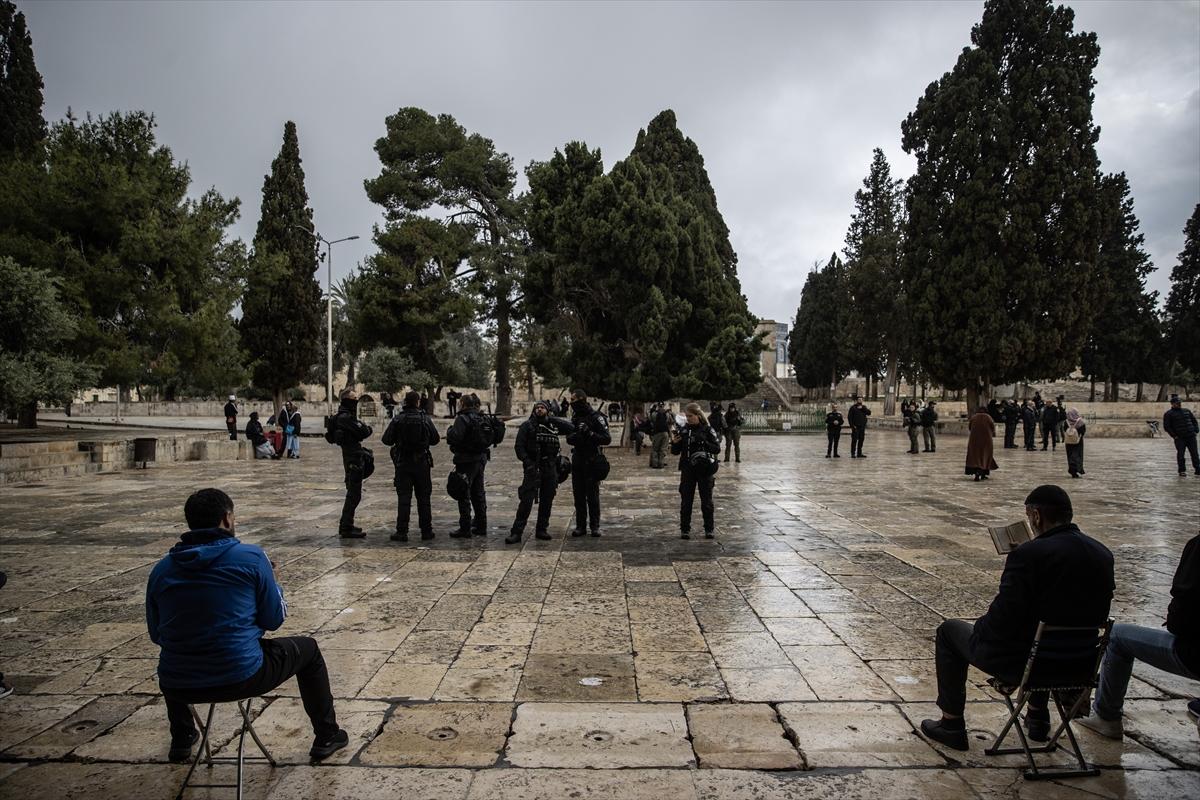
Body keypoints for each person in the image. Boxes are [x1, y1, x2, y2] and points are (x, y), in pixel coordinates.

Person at [146, 489, 349, 764]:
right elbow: (273, 620)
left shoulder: (161, 570)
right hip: (240, 675)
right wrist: (273, 582)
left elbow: (157, 633)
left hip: (178, 685)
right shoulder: (251, 558)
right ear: (227, 519)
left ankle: (181, 738)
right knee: (309, 650)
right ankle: (327, 734)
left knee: (179, 651)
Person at [920, 485, 1114, 751]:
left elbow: (1002, 620)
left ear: (1035, 516)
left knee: (949, 631)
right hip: (1078, 665)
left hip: (1026, 665)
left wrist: (979, 630)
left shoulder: (1028, 555)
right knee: (1048, 627)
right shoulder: (1102, 553)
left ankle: (951, 724)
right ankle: (1037, 718)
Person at [1078, 532, 1199, 740]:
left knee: (1116, 635)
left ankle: (1106, 717)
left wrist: (1174, 618)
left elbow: (1181, 618)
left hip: (1195, 654)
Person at [506, 401, 574, 544]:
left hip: (550, 467)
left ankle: (542, 529)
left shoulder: (552, 425)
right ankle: (516, 532)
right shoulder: (527, 426)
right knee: (526, 501)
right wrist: (527, 462)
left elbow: (570, 428)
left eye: (542, 408)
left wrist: (551, 418)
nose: (539, 410)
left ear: (547, 410)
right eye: (537, 408)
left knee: (547, 500)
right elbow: (519, 447)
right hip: (533, 467)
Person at [381, 391, 440, 542]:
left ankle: (402, 532)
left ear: (405, 402)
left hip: (403, 462)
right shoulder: (424, 419)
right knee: (424, 498)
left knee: (404, 498)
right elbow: (435, 439)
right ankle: (426, 531)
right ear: (418, 402)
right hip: (422, 463)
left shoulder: (398, 419)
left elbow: (386, 439)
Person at [672, 402, 720, 540]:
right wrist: (675, 443)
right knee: (686, 500)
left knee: (706, 501)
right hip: (688, 470)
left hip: (704, 470)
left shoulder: (707, 430)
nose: (688, 419)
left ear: (698, 415)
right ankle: (685, 529)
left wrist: (703, 441)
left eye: (690, 416)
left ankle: (709, 529)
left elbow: (716, 449)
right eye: (686, 416)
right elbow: (676, 452)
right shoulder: (684, 430)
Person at [446, 393, 492, 538]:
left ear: (463, 404)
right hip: (480, 459)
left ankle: (465, 528)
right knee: (478, 493)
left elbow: (456, 437)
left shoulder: (462, 418)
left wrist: (449, 432)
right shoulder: (481, 417)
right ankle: (481, 526)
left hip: (465, 460)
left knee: (463, 492)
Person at [566, 389, 611, 537]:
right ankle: (580, 526)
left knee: (592, 496)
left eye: (573, 400)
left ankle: (595, 526)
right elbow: (569, 437)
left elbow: (606, 438)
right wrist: (575, 437)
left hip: (592, 460)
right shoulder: (575, 418)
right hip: (578, 460)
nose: (571, 403)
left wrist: (589, 433)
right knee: (578, 496)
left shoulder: (596, 417)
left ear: (581, 399)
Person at [333, 389, 373, 539]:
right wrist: (365, 429)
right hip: (353, 458)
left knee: (353, 492)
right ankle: (346, 527)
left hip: (350, 456)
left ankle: (347, 524)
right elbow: (364, 431)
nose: (356, 401)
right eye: (354, 399)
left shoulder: (339, 417)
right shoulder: (346, 418)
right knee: (353, 494)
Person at [1163, 394, 1200, 477]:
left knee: (1194, 454)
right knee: (1181, 454)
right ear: (1172, 404)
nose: (1178, 404)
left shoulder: (1186, 411)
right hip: (1180, 438)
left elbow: (1194, 421)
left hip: (1191, 436)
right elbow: (1167, 427)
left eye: (1179, 402)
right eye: (1176, 403)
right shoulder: (1169, 414)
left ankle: (1198, 470)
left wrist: (1196, 430)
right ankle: (1182, 471)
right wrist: (1174, 436)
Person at [965, 406, 997, 481]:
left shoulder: (974, 417)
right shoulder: (988, 418)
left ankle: (977, 471)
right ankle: (983, 472)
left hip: (974, 440)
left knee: (975, 456)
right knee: (985, 455)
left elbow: (970, 427)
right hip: (986, 441)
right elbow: (992, 427)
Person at [1063, 408, 1086, 478]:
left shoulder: (1066, 422)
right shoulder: (1080, 422)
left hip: (1069, 441)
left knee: (1070, 455)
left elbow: (1064, 430)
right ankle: (1078, 469)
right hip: (1078, 441)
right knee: (1078, 455)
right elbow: (1083, 431)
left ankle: (1072, 470)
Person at [649, 402, 672, 469]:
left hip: (657, 432)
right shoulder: (667, 414)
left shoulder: (654, 414)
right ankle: (661, 463)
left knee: (655, 449)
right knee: (663, 449)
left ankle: (655, 463)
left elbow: (651, 420)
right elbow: (670, 421)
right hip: (665, 432)